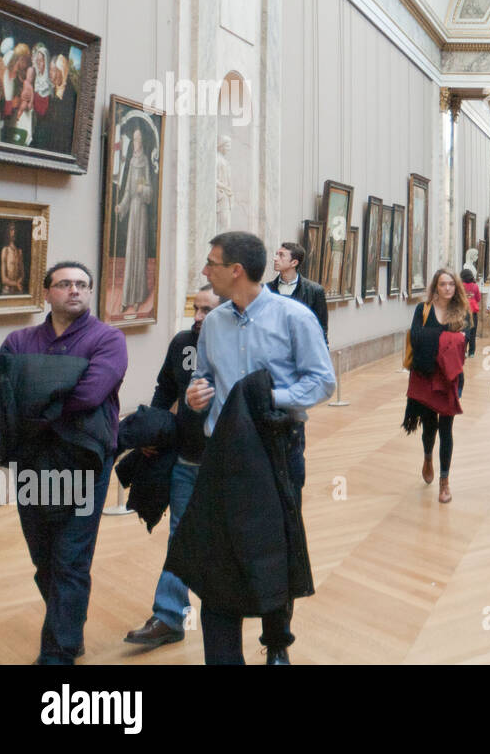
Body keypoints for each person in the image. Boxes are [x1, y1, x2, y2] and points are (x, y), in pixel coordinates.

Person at [184, 231, 335, 664]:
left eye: (211, 262)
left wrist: (271, 398)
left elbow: (322, 381)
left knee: (276, 546)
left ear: (235, 271)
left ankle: (277, 643)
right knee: (219, 549)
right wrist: (199, 392)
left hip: (276, 447)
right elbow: (204, 374)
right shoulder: (213, 322)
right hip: (223, 452)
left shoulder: (293, 317)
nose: (204, 270)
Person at [0, 261, 128, 664]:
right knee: (44, 556)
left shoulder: (108, 339)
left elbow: (89, 394)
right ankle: (68, 628)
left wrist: (32, 392)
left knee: (70, 557)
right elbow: (0, 387)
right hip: (33, 461)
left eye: (82, 285)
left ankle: (59, 651)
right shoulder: (19, 340)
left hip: (84, 461)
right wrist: (56, 386)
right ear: (47, 292)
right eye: (64, 284)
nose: (74, 290)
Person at [124, 285, 221, 649]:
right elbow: (166, 388)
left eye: (206, 310)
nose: (197, 318)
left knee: (228, 540)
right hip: (187, 458)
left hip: (229, 465)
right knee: (180, 535)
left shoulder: (244, 344)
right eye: (195, 309)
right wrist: (156, 427)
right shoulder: (183, 343)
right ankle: (169, 616)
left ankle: (257, 622)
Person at [403, 268, 469, 504]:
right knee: (430, 426)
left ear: (456, 286)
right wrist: (447, 338)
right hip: (427, 375)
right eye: (443, 284)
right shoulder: (424, 309)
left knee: (447, 428)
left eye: (451, 284)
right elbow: (417, 337)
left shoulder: (461, 311)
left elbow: (466, 343)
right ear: (435, 287)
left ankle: (444, 481)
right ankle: (428, 456)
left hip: (450, 377)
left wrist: (440, 338)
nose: (447, 288)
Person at [116, 126, 154, 312]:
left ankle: (138, 296)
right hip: (132, 213)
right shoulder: (131, 161)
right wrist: (121, 206)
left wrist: (143, 190)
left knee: (139, 252)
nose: (136, 143)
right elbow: (128, 193)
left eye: (138, 140)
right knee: (131, 252)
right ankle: (126, 298)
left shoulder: (145, 161)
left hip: (142, 213)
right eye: (134, 140)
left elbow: (149, 191)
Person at [268, 242, 329, 346]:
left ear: (294, 262)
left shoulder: (315, 291)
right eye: (276, 254)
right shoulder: (267, 289)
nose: (275, 258)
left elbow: (320, 328)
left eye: (281, 255)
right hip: (273, 349)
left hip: (302, 348)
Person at [460, 267, 480, 356]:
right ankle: (471, 352)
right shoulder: (475, 286)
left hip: (463, 311)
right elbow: (478, 298)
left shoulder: (460, 286)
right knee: (473, 331)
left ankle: (463, 351)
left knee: (463, 331)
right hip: (473, 311)